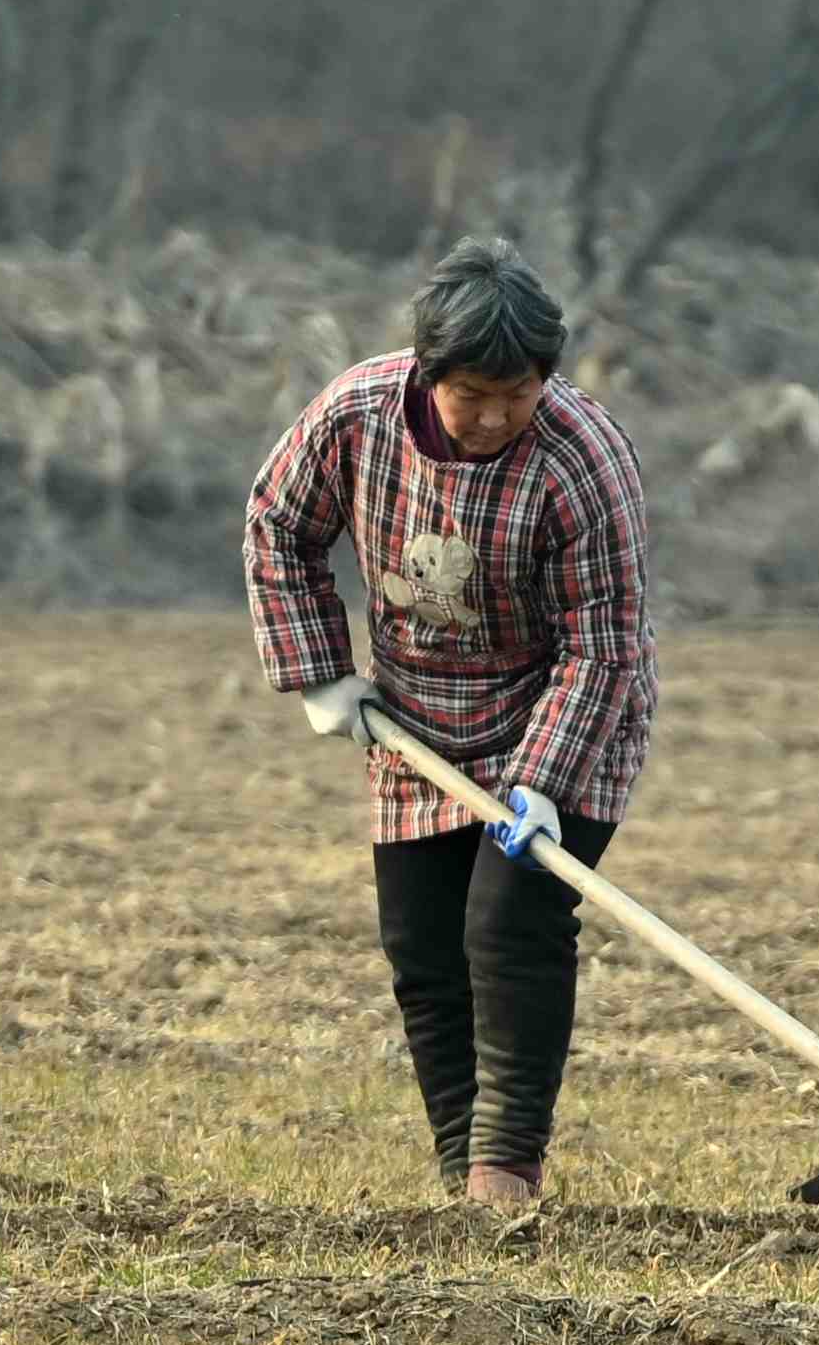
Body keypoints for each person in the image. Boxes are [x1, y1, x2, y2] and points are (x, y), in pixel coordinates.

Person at [245, 238, 661, 1222]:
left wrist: (542, 785)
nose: (490, 419)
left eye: (514, 397)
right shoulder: (354, 415)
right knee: (423, 946)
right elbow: (276, 526)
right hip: (414, 716)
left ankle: (504, 1176)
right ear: (428, 374)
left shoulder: (583, 461)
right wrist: (320, 675)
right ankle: (457, 1177)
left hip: (563, 711)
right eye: (470, 394)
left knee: (509, 922)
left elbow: (602, 645)